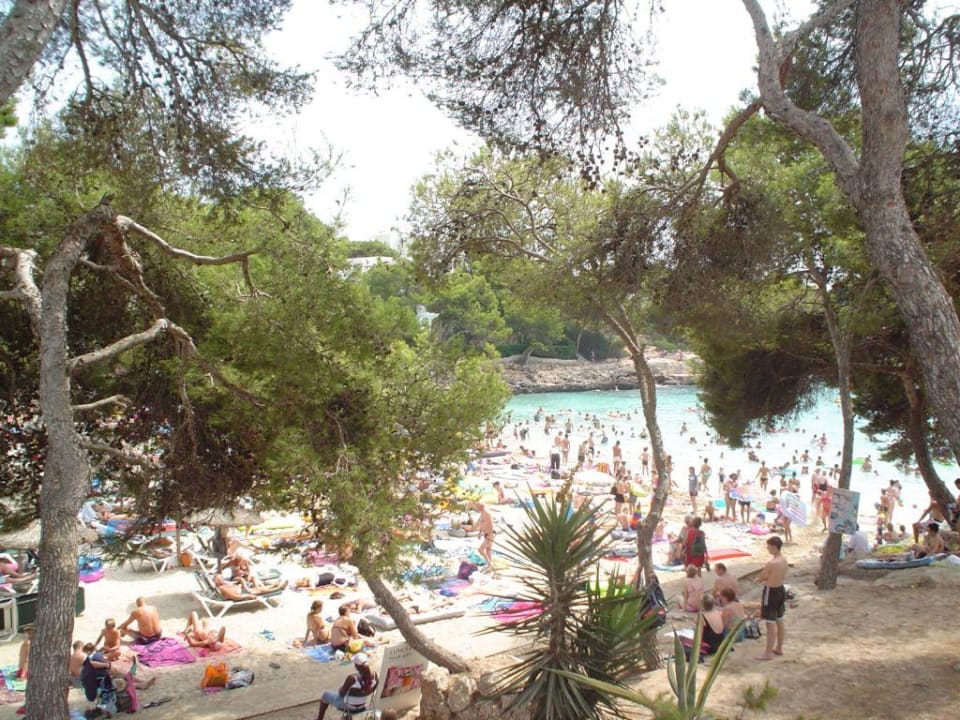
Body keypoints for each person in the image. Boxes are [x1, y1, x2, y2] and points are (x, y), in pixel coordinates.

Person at [315, 652, 379, 720]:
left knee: (326, 695)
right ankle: (347, 717)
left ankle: (319, 718)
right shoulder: (374, 675)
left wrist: (340, 689)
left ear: (356, 666)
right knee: (347, 698)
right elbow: (374, 688)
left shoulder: (352, 678)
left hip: (348, 706)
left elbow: (342, 694)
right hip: (362, 705)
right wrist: (362, 693)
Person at [755, 536, 788, 661]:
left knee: (770, 622)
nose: (767, 549)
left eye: (768, 546)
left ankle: (768, 652)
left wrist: (759, 579)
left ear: (774, 546)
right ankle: (779, 647)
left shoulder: (772, 563)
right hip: (780, 589)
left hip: (771, 591)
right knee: (780, 619)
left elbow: (762, 576)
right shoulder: (784, 560)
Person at [213, 573, 287, 601]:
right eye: (220, 579)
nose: (222, 579)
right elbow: (235, 597)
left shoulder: (223, 585)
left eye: (221, 578)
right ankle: (279, 588)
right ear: (216, 581)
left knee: (258, 588)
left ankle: (274, 585)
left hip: (243, 591)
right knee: (260, 590)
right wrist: (248, 596)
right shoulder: (223, 588)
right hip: (242, 594)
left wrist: (239, 582)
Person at [475, 502, 495, 568]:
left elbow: (490, 524)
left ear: (480, 507)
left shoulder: (486, 513)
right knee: (488, 550)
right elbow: (482, 523)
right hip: (486, 534)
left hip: (490, 534)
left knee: (480, 550)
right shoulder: (482, 513)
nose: (476, 508)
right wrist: (480, 533)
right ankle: (490, 565)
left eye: (477, 507)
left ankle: (490, 564)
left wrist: (488, 536)